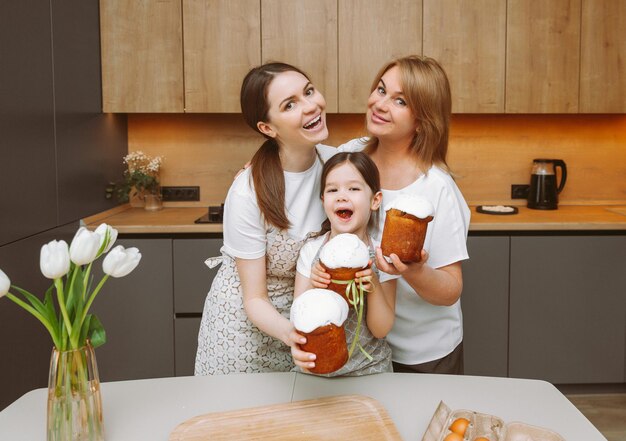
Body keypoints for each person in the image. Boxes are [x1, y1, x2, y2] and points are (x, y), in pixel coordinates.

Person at [313, 55, 471, 374]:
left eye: (400, 101)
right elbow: (301, 159)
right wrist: (259, 168)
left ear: (423, 119)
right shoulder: (353, 157)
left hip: (421, 352)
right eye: (381, 90)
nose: (380, 104)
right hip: (362, 349)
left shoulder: (436, 187)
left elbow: (451, 290)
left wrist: (412, 271)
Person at [194, 62, 336, 375]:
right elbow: (254, 298)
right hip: (245, 330)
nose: (311, 106)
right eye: (290, 104)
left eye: (309, 91)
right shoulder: (248, 191)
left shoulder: (338, 164)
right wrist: (293, 334)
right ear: (268, 129)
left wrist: (305, 329)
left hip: (307, 320)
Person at [292, 152, 398, 376]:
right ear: (323, 201)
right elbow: (298, 322)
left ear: (375, 200)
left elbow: (381, 329)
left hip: (371, 370)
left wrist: (374, 285)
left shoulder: (382, 256)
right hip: (316, 372)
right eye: (332, 190)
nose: (341, 196)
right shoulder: (311, 251)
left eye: (353, 188)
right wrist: (314, 284)